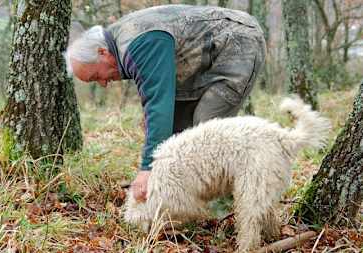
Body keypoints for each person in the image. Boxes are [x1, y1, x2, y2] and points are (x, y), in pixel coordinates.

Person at [66, 4, 266, 203]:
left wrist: (147, 168)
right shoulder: (120, 44)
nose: (102, 83)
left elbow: (159, 104)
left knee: (206, 130)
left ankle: (225, 204)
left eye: (96, 76)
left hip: (238, 43)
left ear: (102, 52)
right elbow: (158, 101)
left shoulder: (140, 43)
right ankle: (179, 200)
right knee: (177, 134)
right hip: (204, 61)